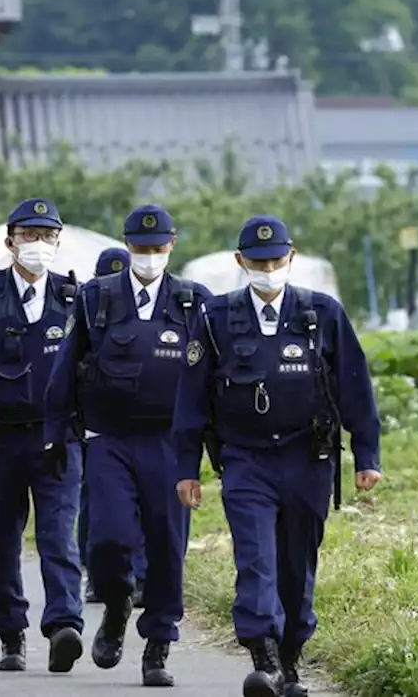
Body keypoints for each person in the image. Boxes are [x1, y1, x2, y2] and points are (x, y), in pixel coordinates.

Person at [171, 215, 383, 697]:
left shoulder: (322, 313)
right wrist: (188, 468)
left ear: (292, 257)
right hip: (246, 460)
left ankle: (290, 661)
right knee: (256, 559)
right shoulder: (216, 319)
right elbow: (192, 398)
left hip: (309, 458)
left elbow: (354, 386)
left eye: (276, 259)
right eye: (258, 261)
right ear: (240, 261)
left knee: (296, 565)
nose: (268, 268)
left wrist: (366, 453)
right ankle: (262, 655)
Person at [44, 205, 211, 687]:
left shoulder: (191, 301)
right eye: (141, 248)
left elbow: (209, 380)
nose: (149, 257)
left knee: (165, 548)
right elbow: (65, 366)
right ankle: (116, 607)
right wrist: (55, 433)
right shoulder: (96, 298)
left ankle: (157, 644)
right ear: (126, 245)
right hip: (109, 438)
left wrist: (214, 448)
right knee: (108, 540)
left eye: (158, 248)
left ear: (172, 245)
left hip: (168, 442)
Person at [0, 197, 86, 674]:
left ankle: (64, 623)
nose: (39, 245)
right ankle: (10, 632)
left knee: (58, 535)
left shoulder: (76, 299)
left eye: (48, 236)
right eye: (29, 235)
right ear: (10, 242)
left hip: (56, 439)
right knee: (1, 539)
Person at [77, 247, 149, 608]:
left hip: (134, 425)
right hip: (95, 423)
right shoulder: (89, 306)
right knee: (94, 503)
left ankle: (139, 574)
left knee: (133, 504)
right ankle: (95, 572)